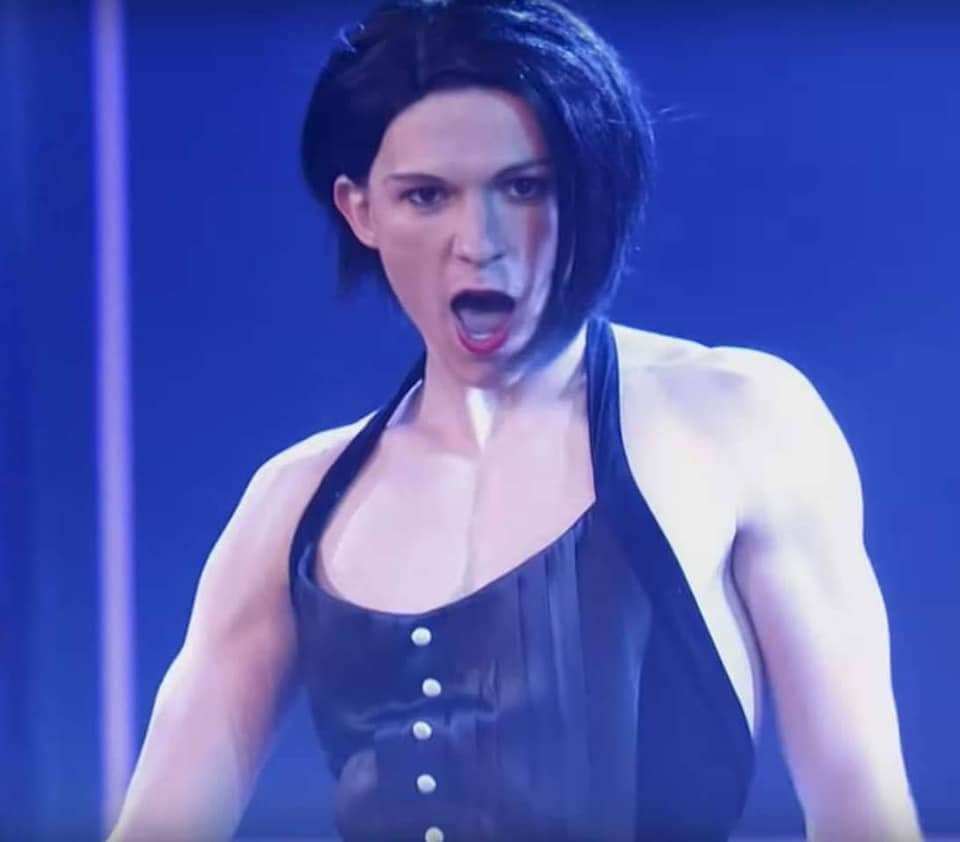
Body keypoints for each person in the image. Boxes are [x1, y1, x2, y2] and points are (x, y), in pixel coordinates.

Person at [108, 1, 923, 840]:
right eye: (427, 196)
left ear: (590, 187)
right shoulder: (293, 503)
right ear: (361, 210)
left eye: (524, 187)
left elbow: (865, 812)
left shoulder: (737, 423)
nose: (479, 241)